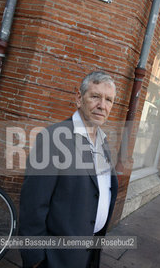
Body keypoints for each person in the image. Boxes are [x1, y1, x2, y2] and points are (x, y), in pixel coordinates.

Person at [19, 71, 118, 268]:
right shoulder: (53, 139)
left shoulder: (103, 141)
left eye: (109, 100)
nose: (102, 105)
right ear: (79, 98)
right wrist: (36, 259)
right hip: (56, 259)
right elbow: (32, 206)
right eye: (95, 96)